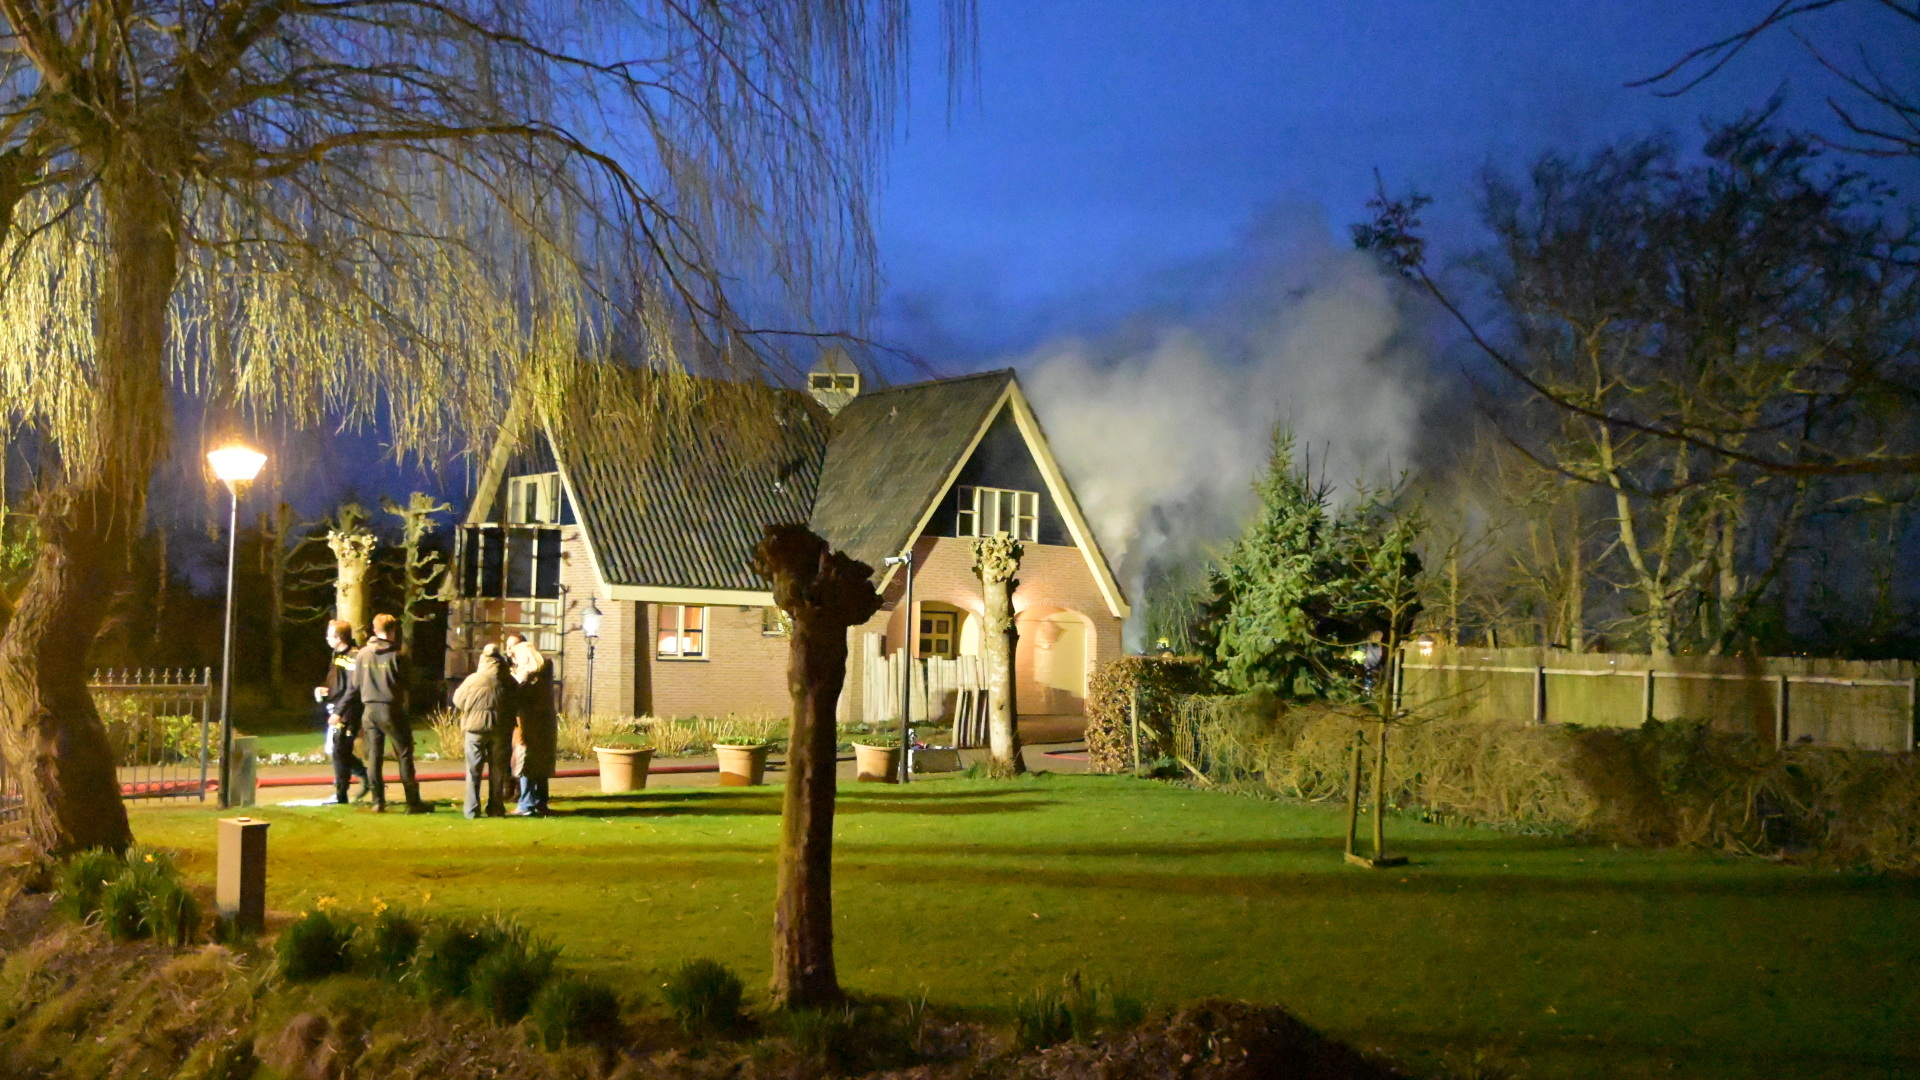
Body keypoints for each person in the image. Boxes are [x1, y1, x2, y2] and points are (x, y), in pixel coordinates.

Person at [337, 612, 429, 813]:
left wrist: (339, 710)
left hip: (369, 710)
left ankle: (378, 801)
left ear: (374, 629)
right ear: (393, 630)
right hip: (391, 708)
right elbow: (409, 683)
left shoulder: (363, 654)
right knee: (404, 754)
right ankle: (413, 802)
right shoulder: (398, 655)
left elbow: (354, 685)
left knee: (374, 757)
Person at [452, 644, 511, 818]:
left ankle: (471, 809)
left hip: (475, 729)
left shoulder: (473, 679)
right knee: (498, 771)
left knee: (473, 770)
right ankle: (496, 808)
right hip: (500, 728)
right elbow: (517, 700)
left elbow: (458, 700)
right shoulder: (507, 680)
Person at [314, 619, 369, 805]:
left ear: (339, 638)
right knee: (337, 749)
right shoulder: (337, 655)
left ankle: (341, 793)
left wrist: (339, 711)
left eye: (329, 635)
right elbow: (338, 682)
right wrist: (325, 691)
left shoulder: (353, 656)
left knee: (339, 749)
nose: (326, 639)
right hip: (338, 707)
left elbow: (353, 689)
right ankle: (363, 777)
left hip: (348, 711)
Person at [508, 640, 557, 816]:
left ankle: (526, 803)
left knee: (526, 763)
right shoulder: (544, 675)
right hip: (545, 725)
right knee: (540, 764)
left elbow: (516, 697)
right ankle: (541, 802)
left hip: (528, 724)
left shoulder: (527, 677)